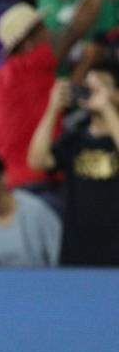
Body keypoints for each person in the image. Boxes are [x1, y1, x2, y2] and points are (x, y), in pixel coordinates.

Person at [28, 63, 119, 266]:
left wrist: (107, 109)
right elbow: (37, 161)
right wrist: (52, 109)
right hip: (79, 247)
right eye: (88, 85)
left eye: (101, 86)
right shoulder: (75, 138)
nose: (92, 91)